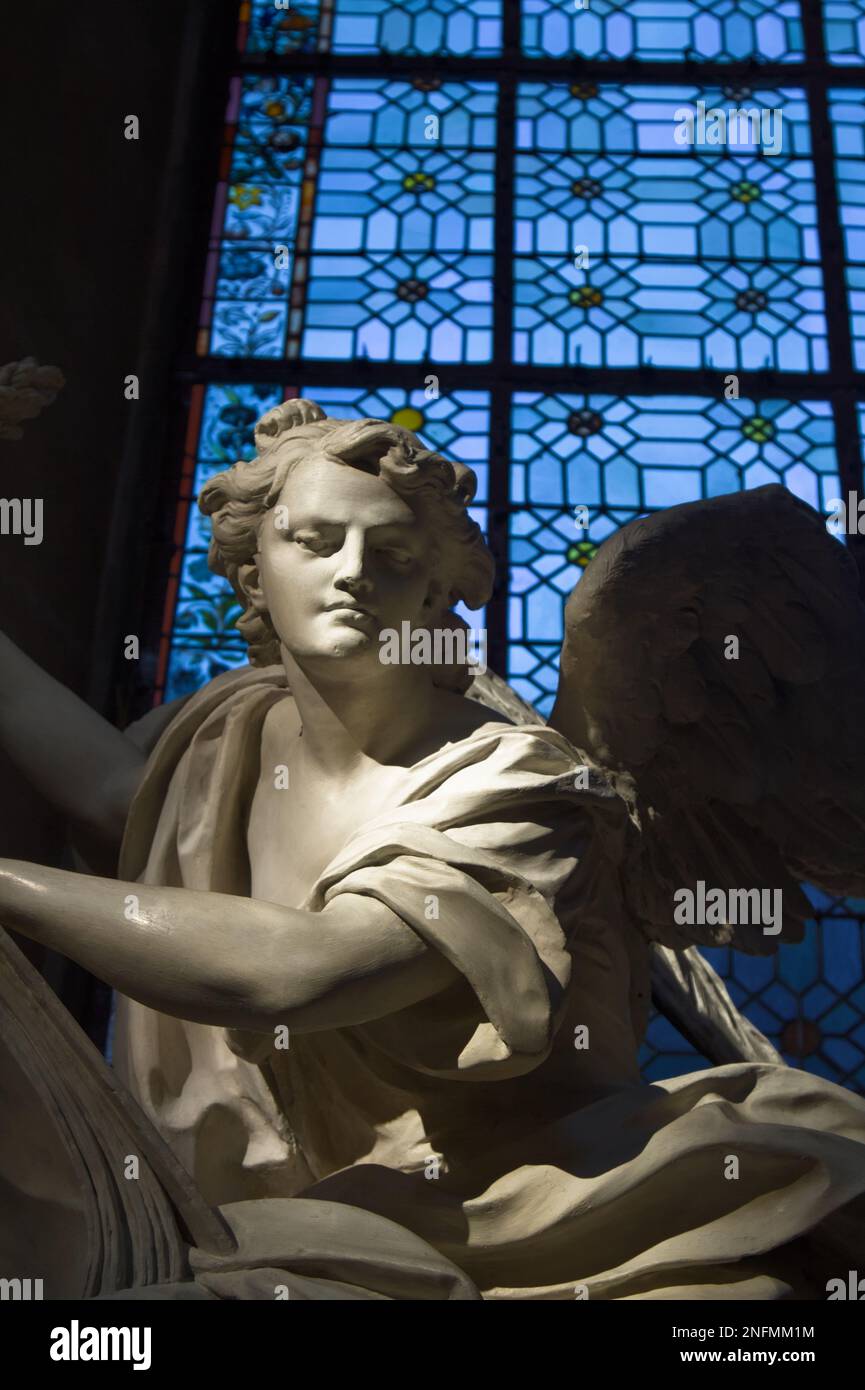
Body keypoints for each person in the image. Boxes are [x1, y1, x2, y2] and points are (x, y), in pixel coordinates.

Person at [1, 398, 864, 1300]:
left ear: (435, 589)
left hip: (551, 1222)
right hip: (301, 1225)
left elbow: (308, 973)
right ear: (255, 573)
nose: (353, 573)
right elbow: (113, 802)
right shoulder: (222, 735)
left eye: (395, 554)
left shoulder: (521, 786)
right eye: (314, 541)